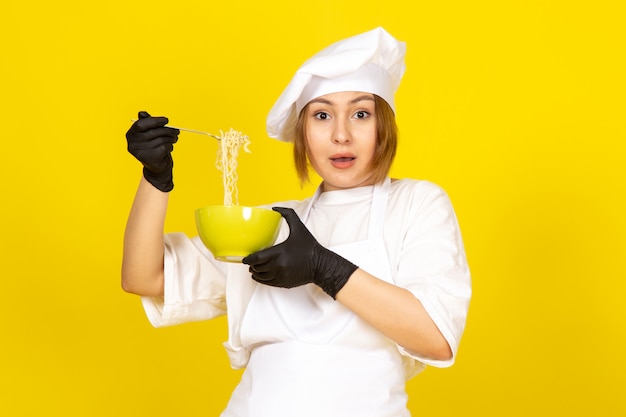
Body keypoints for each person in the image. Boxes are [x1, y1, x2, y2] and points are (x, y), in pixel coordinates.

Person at [122, 27, 471, 417]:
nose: (341, 135)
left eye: (360, 114)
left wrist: (325, 267)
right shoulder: (270, 223)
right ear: (303, 132)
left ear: (382, 127)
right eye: (322, 115)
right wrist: (155, 179)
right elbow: (144, 278)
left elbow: (436, 337)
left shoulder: (417, 204)